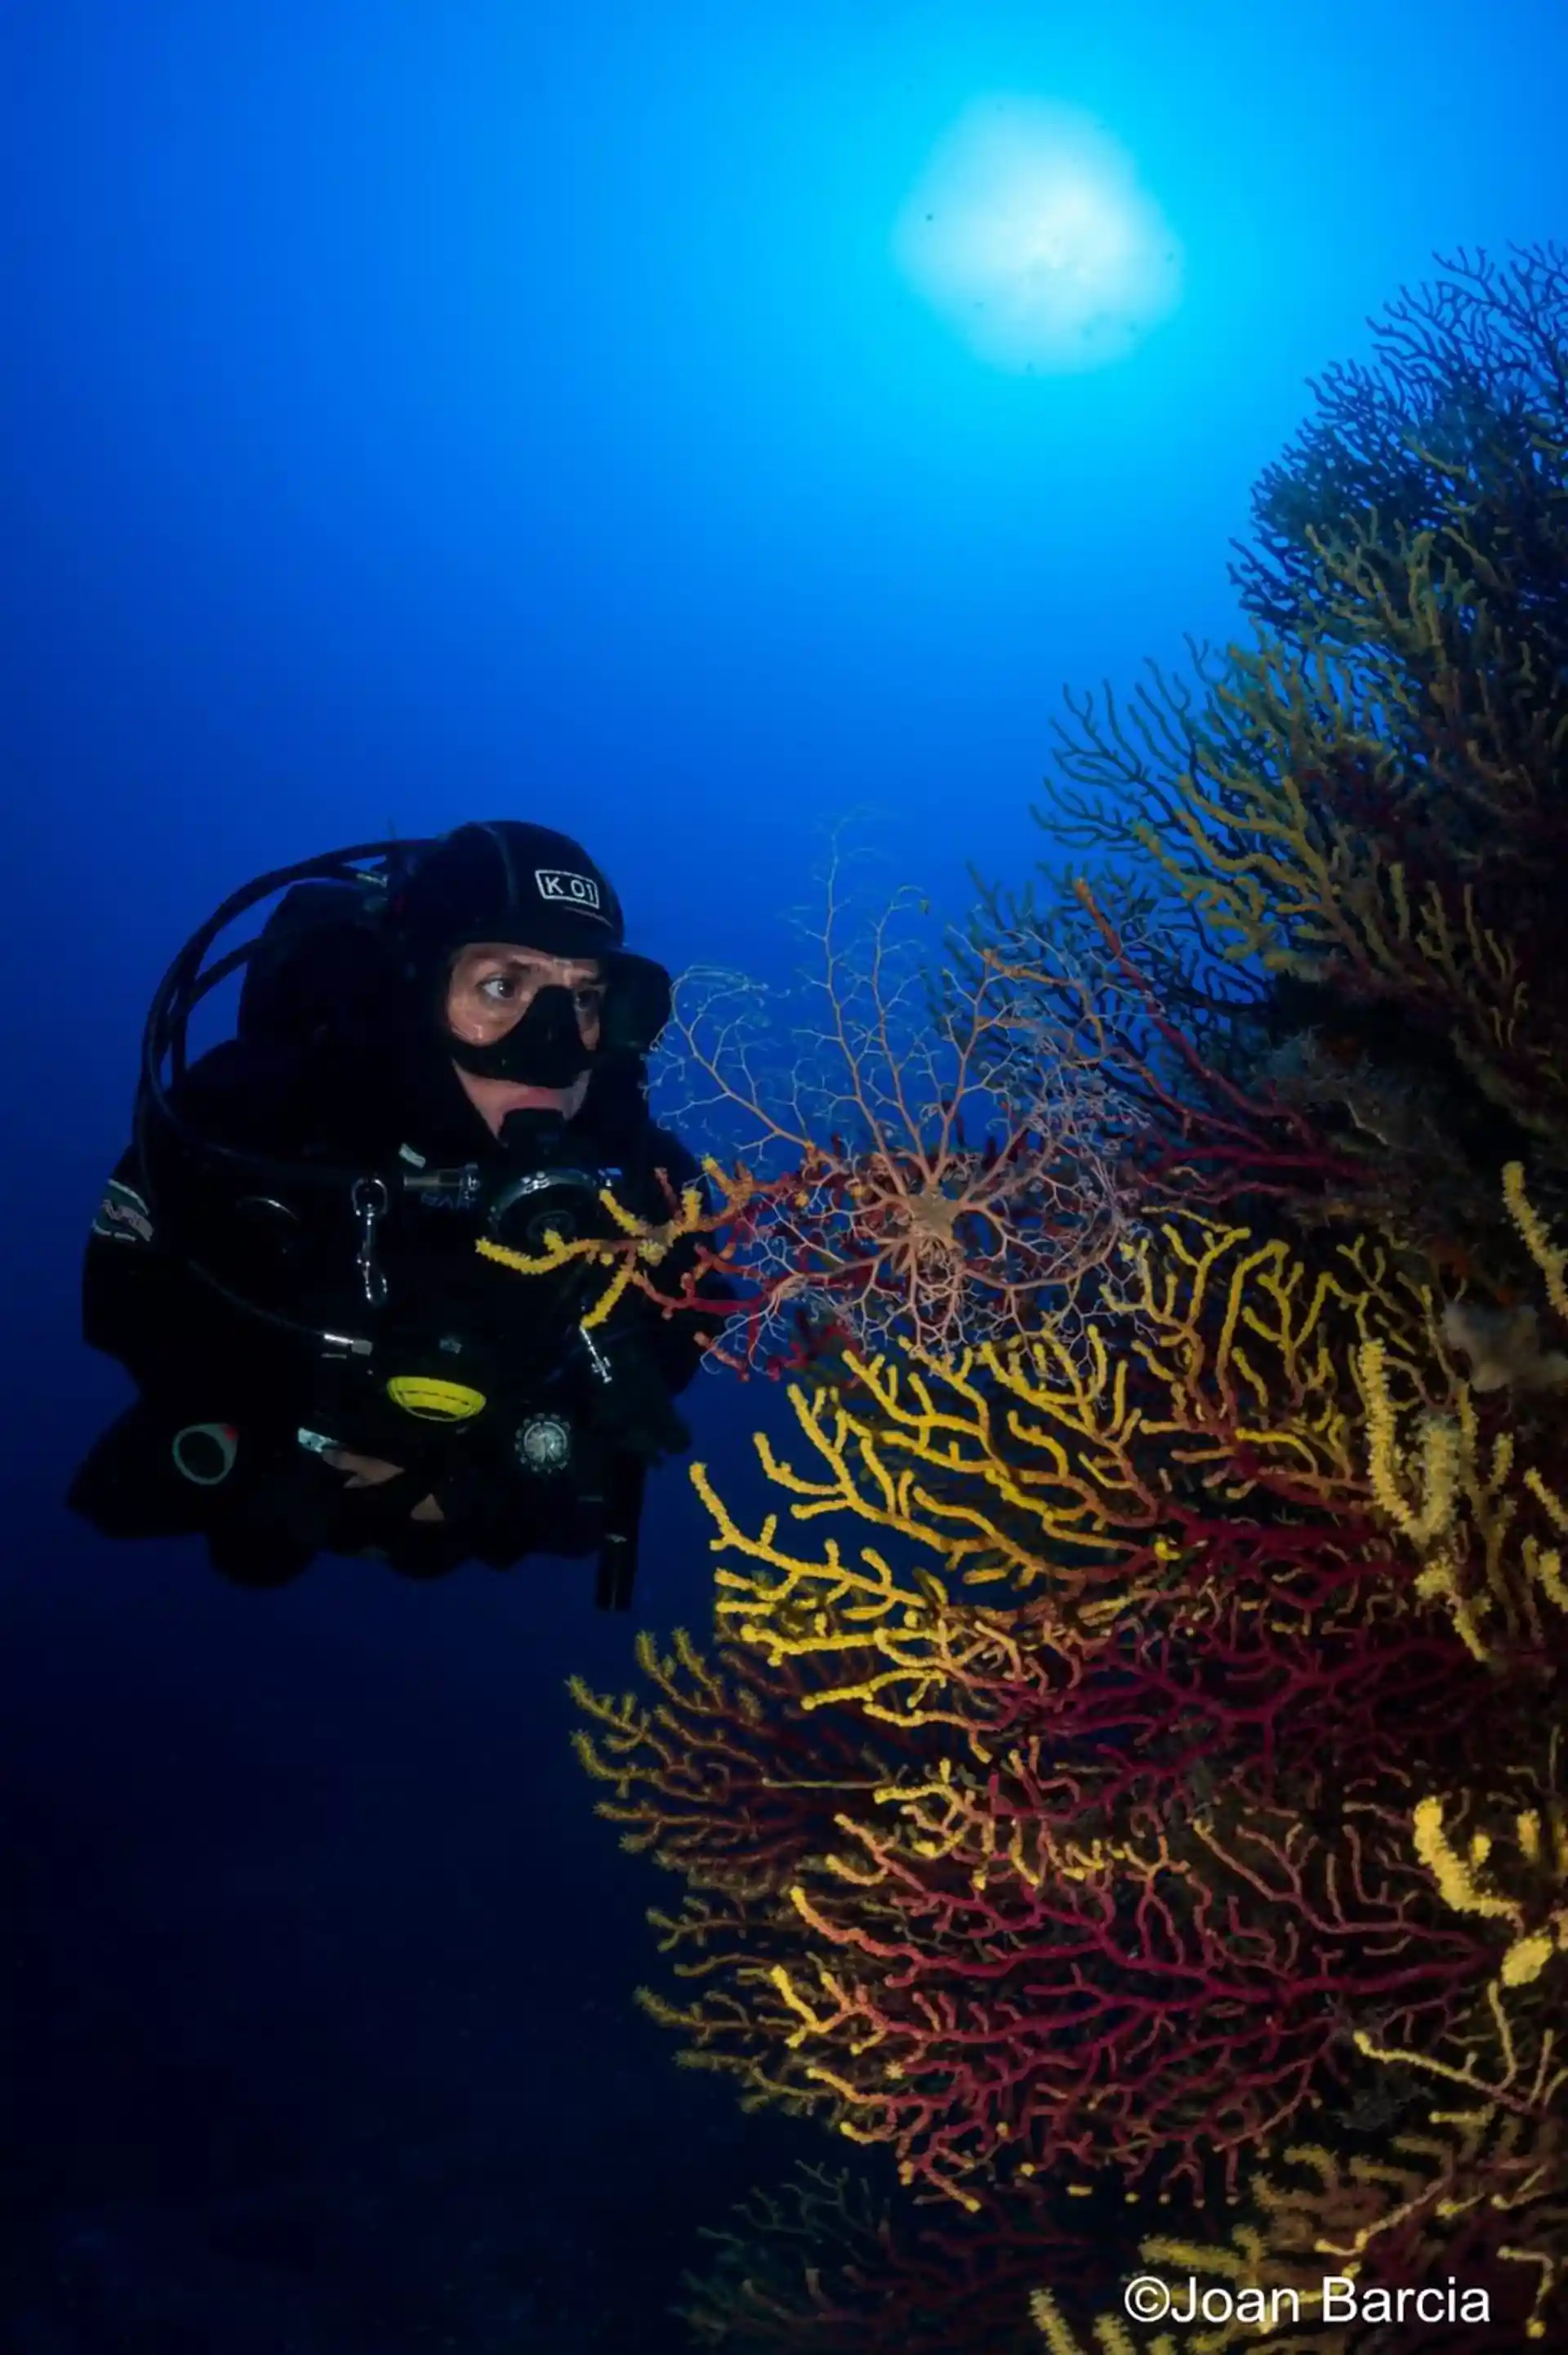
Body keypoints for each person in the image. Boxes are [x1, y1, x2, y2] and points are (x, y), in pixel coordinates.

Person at [67, 821, 727, 1605]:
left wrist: (487, 1475)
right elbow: (123, 1301)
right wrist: (282, 1442)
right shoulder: (253, 1117)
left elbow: (678, 1345)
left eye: (582, 997)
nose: (552, 1046)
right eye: (501, 987)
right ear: (416, 990)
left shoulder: (646, 1187)